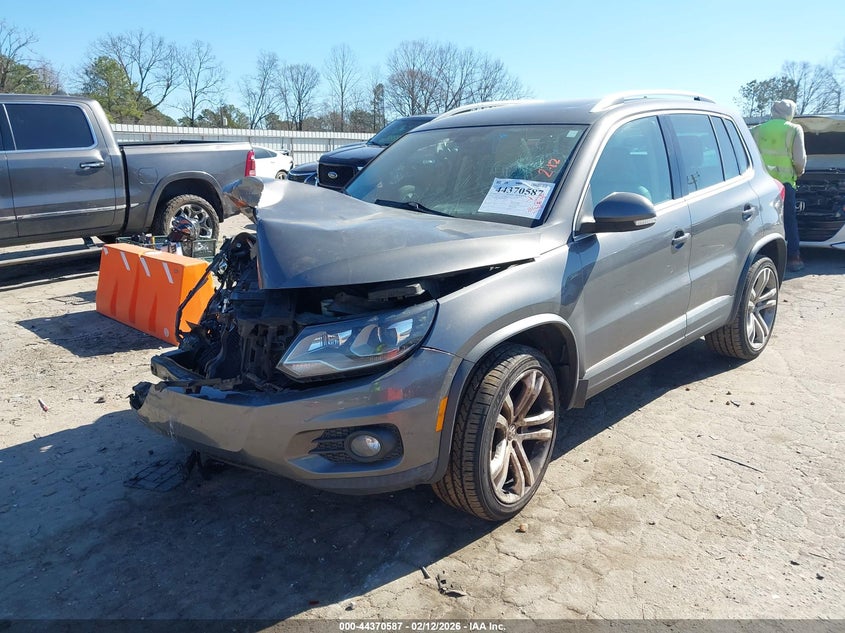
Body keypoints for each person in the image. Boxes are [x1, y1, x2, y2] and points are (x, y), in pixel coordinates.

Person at [751, 99, 807, 272]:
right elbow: (800, 160)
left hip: (761, 184)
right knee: (788, 219)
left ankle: (765, 257)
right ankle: (793, 257)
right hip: (784, 183)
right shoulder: (794, 129)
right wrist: (799, 172)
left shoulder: (757, 130)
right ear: (791, 112)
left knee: (763, 220)